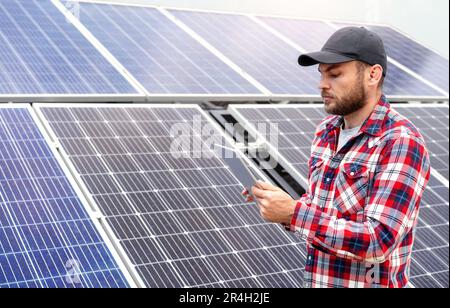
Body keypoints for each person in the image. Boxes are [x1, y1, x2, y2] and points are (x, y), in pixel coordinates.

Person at [243, 27, 431, 288]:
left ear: (373, 75)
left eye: (335, 74)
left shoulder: (400, 141)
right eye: (321, 74)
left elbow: (378, 242)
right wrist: (281, 205)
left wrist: (294, 213)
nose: (322, 84)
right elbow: (323, 209)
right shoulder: (326, 131)